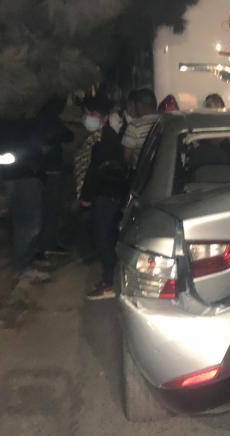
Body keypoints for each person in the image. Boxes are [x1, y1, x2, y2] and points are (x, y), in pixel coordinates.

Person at [79, 96, 129, 301]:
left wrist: (87, 196)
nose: (89, 118)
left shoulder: (105, 140)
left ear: (105, 117)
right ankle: (109, 279)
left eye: (94, 114)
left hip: (106, 196)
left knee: (104, 238)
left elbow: (97, 172)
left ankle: (109, 283)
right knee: (104, 237)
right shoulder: (98, 137)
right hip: (106, 195)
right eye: (88, 113)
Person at [34, 95, 73, 257]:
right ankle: (46, 245)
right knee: (50, 210)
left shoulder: (38, 120)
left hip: (40, 172)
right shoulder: (51, 120)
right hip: (52, 171)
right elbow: (69, 136)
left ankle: (44, 243)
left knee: (44, 210)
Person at [122, 88, 159, 168]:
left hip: (141, 175)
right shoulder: (166, 120)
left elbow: (126, 157)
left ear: (139, 105)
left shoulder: (134, 126)